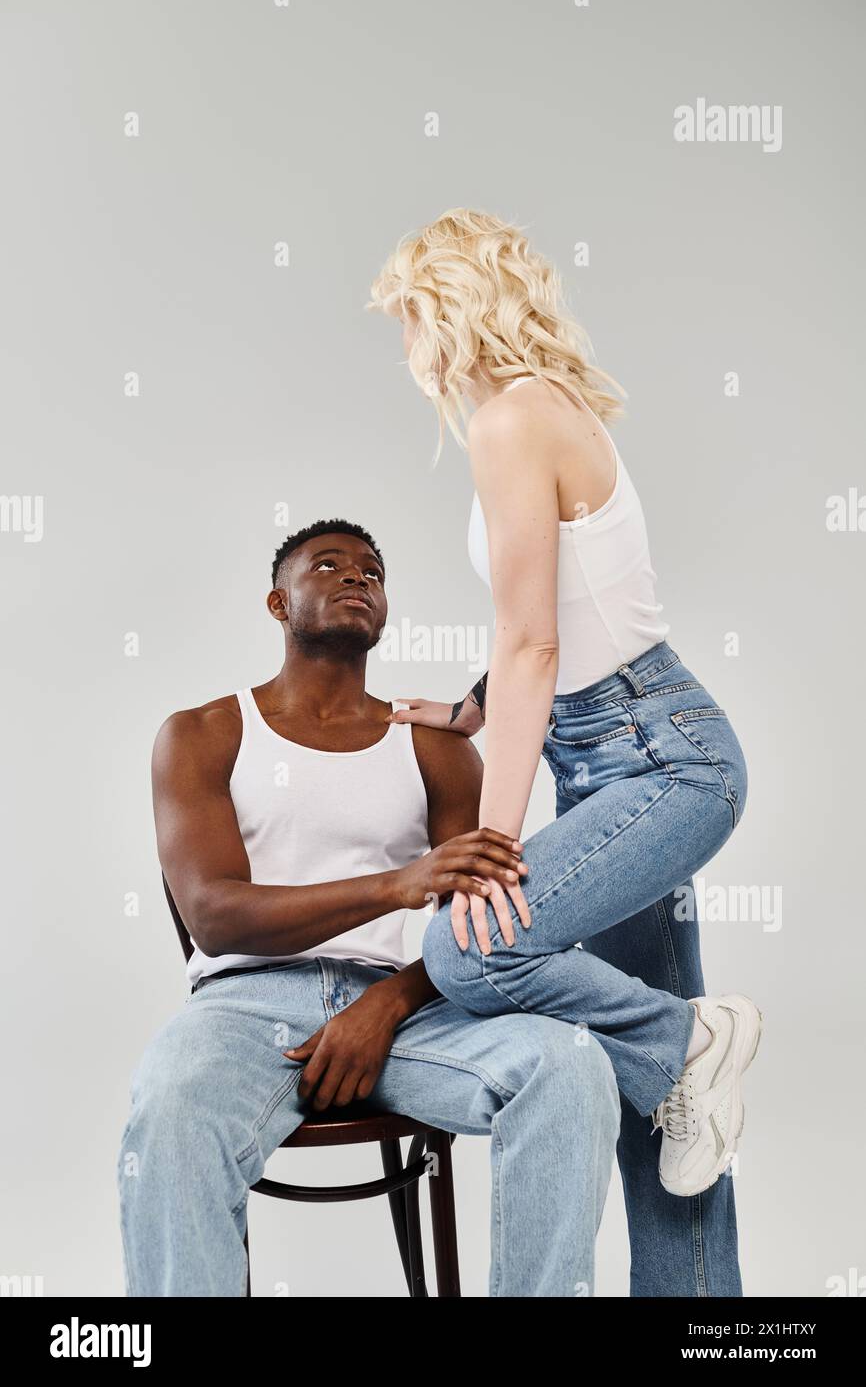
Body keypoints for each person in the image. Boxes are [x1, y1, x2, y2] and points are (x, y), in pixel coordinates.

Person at [366, 208, 763, 1293]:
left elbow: (539, 638)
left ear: (446, 310)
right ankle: (685, 1072)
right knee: (671, 1110)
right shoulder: (542, 410)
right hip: (617, 748)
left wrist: (495, 839)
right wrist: (472, 707)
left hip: (659, 755)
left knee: (465, 949)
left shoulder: (508, 420)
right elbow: (576, 617)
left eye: (407, 320)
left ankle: (687, 1036)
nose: (404, 350)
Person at [117, 520, 621, 1297]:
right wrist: (394, 885)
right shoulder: (203, 733)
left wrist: (386, 1005)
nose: (358, 579)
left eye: (373, 573)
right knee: (171, 1107)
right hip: (244, 1006)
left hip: (408, 1010)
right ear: (278, 603)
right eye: (329, 566)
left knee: (568, 1064)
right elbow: (214, 915)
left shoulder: (435, 745)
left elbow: (482, 929)